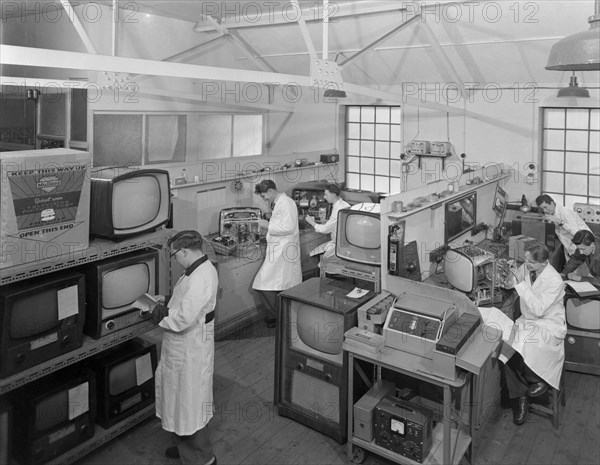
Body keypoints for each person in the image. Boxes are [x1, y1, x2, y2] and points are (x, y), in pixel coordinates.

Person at [148, 230, 218, 465]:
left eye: (174, 254)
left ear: (185, 251)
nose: (174, 259)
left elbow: (182, 318)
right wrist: (166, 300)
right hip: (185, 347)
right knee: (180, 402)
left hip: (190, 348)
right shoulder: (197, 268)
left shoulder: (201, 277)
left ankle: (202, 458)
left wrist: (154, 312)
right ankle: (184, 448)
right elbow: (186, 299)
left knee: (190, 405)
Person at [502, 241, 567, 425]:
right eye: (526, 259)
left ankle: (538, 379)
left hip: (547, 323)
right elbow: (511, 285)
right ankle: (520, 397)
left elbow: (538, 309)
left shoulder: (555, 281)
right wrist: (509, 277)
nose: (526, 263)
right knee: (508, 348)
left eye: (530, 261)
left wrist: (521, 284)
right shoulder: (528, 267)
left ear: (544, 262)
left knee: (528, 343)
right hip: (528, 319)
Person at [253, 179, 302, 329]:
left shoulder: (286, 203)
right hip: (279, 250)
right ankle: (279, 317)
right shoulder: (280, 202)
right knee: (280, 285)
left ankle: (276, 316)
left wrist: (268, 225)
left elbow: (288, 226)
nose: (264, 199)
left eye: (264, 196)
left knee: (262, 283)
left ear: (270, 191)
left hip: (283, 250)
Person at [535, 194, 591, 270]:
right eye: (542, 209)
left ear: (551, 203)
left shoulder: (565, 212)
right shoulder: (552, 214)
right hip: (570, 248)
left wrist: (560, 222)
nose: (545, 211)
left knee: (583, 275)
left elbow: (578, 233)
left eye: (545, 207)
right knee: (572, 274)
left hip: (584, 246)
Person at [304, 183, 350, 261]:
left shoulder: (338, 209)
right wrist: (328, 223)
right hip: (342, 242)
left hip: (339, 246)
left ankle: (322, 270)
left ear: (333, 195)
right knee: (317, 254)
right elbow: (335, 223)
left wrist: (311, 222)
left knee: (320, 261)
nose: (324, 197)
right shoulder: (343, 205)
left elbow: (325, 230)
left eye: (326, 195)